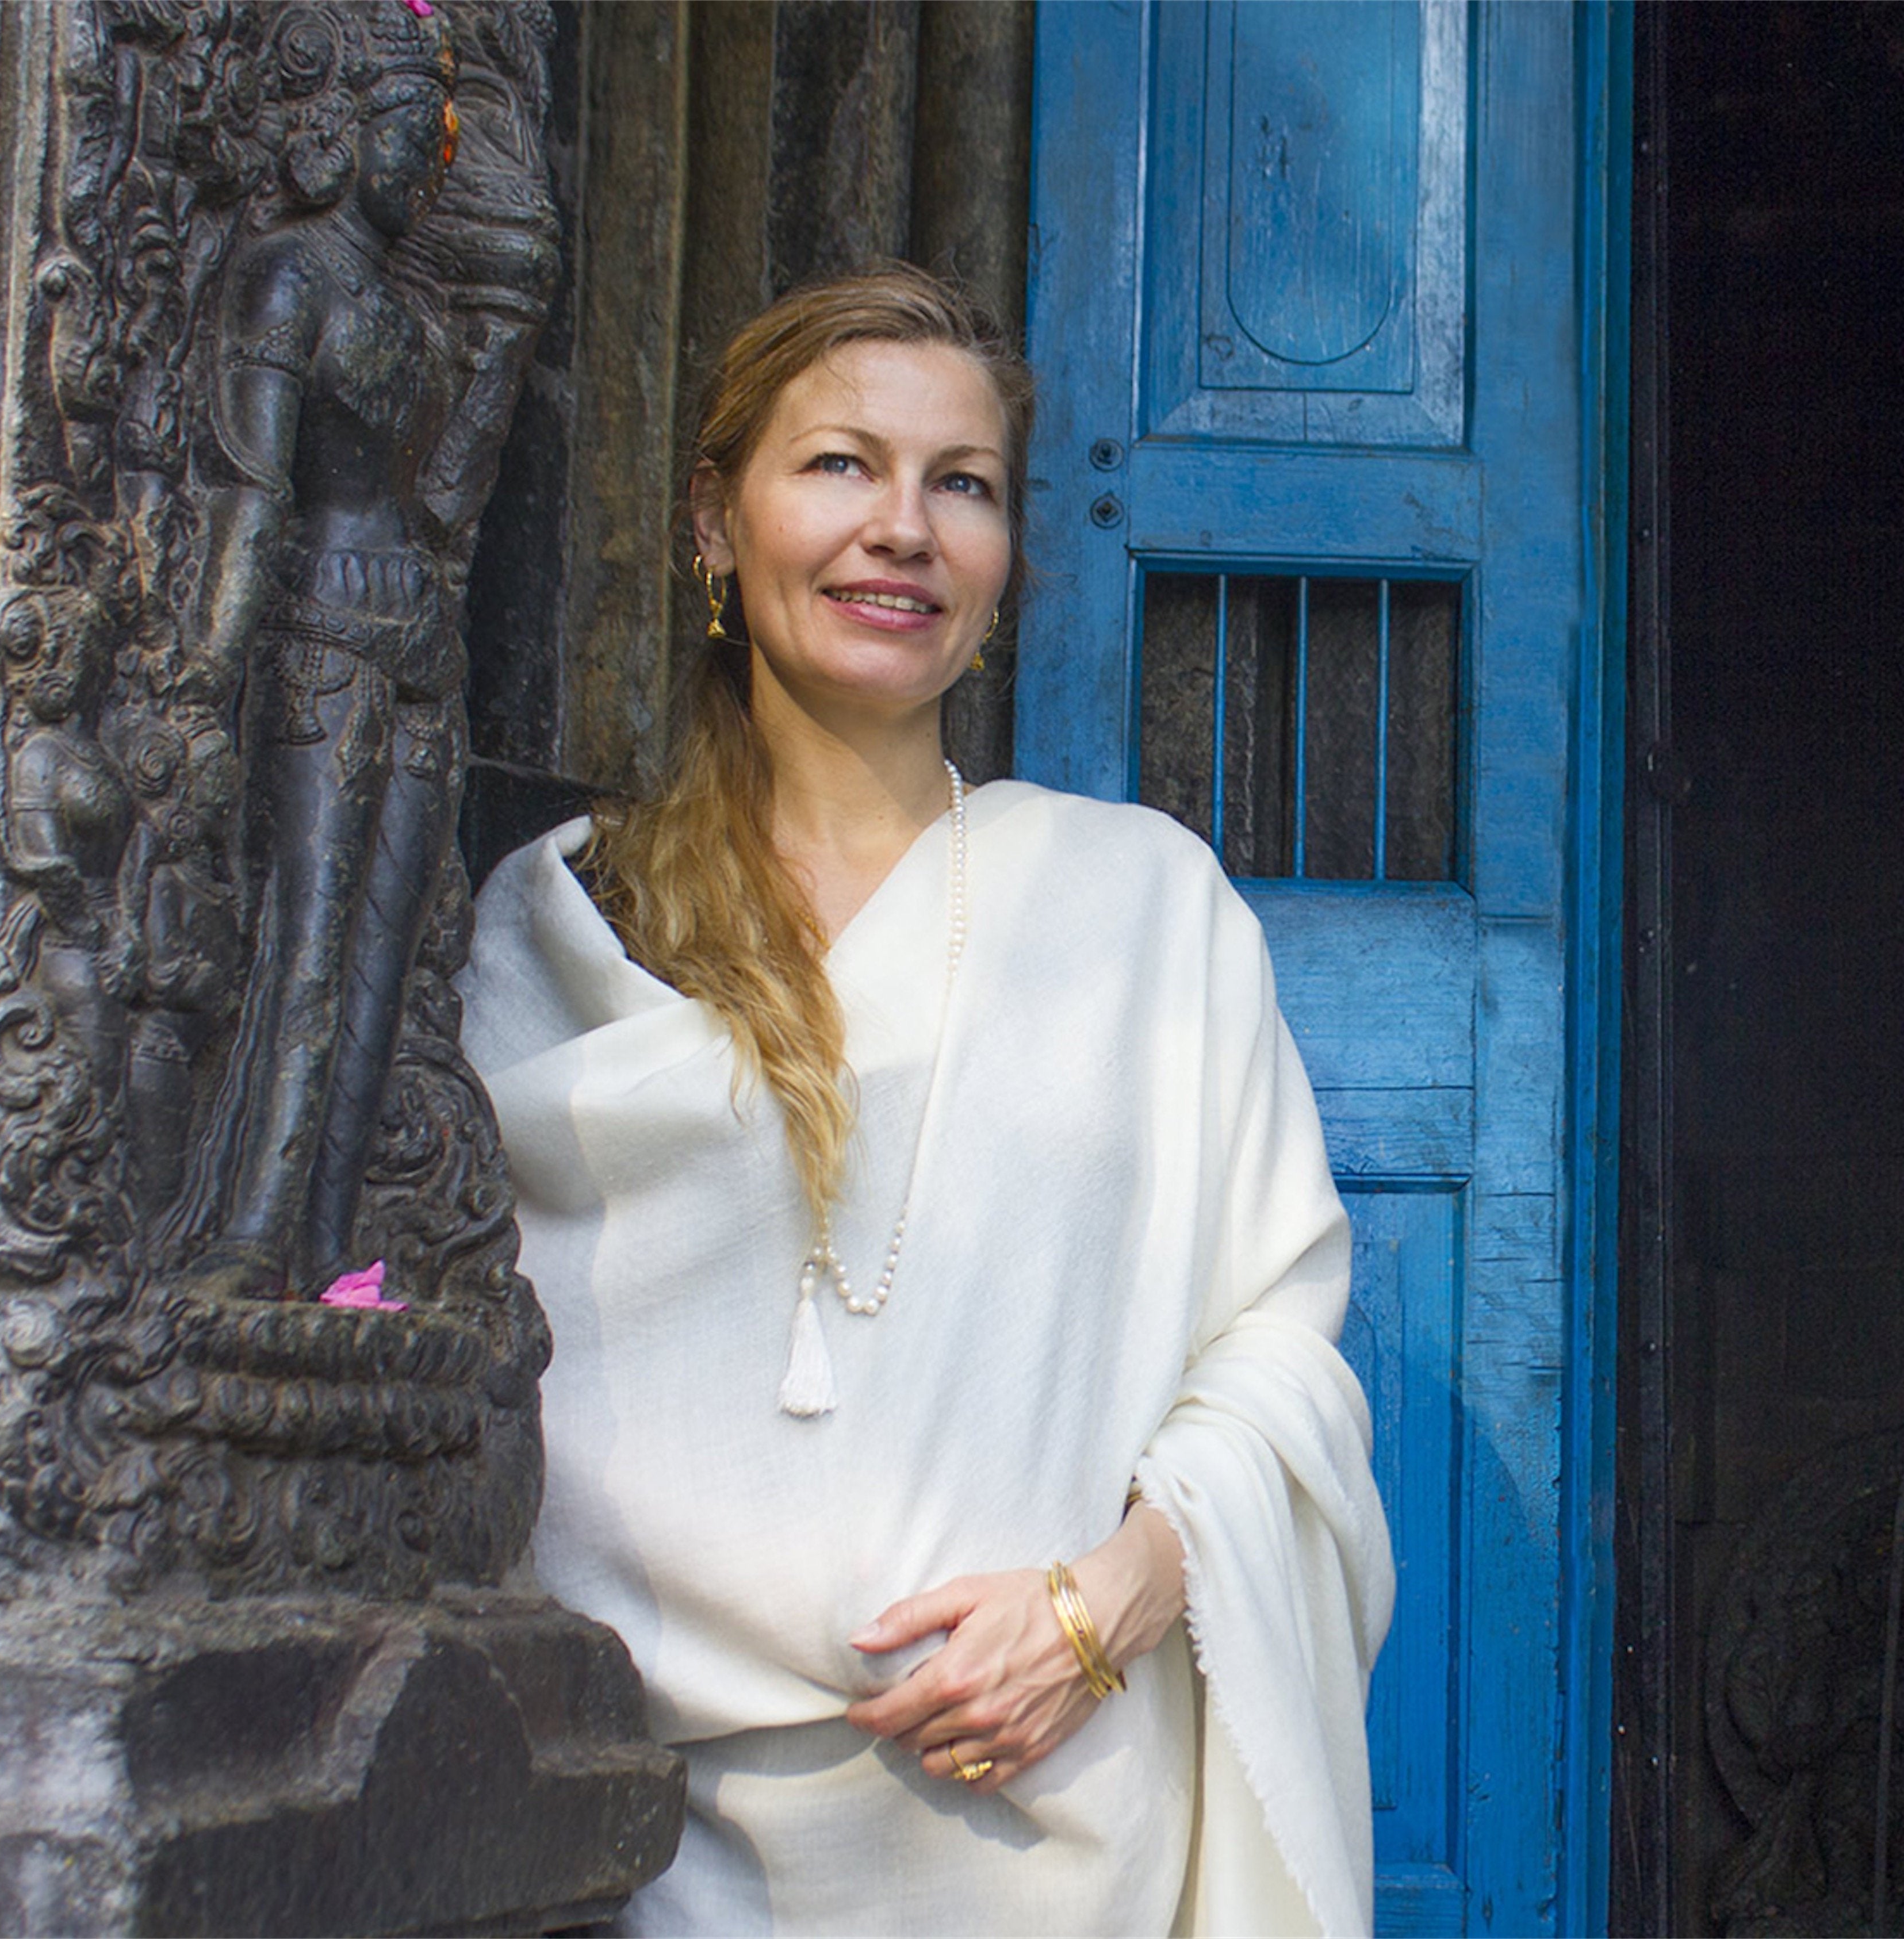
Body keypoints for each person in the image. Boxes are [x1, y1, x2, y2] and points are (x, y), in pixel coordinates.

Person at [458, 265, 1392, 1936]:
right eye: (839, 465)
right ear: (712, 519)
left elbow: (1279, 1351)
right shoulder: (563, 925)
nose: (902, 526)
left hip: (1059, 1828)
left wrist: (1117, 1595)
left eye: (958, 484)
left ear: (1004, 560)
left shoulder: (1142, 911)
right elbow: (473, 1359)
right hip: (652, 1851)